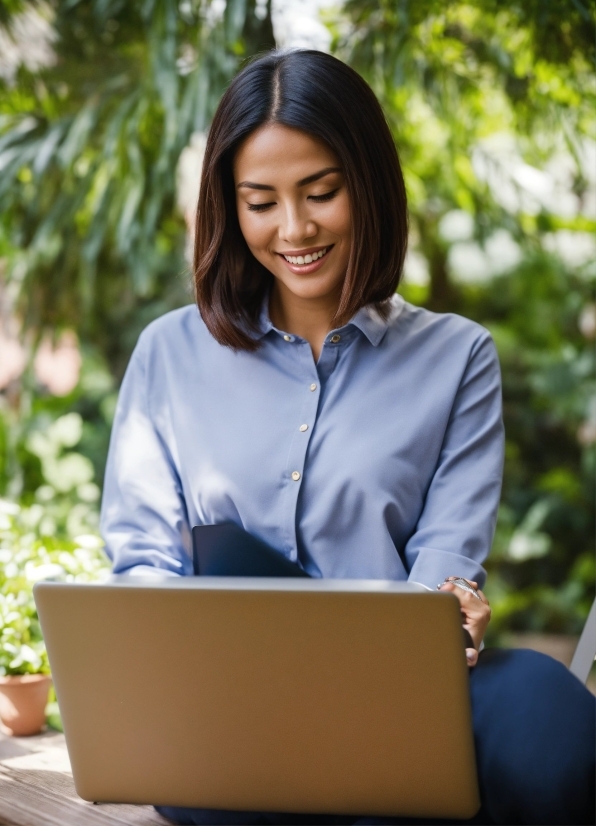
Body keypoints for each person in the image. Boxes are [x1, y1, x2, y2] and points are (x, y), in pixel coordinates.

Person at [100, 50, 595, 826]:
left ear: (367, 182)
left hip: (390, 702)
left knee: (544, 712)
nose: (293, 228)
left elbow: (445, 560)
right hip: (228, 719)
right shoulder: (170, 352)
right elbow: (143, 564)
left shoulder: (458, 356)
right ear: (230, 208)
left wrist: (445, 615)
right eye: (260, 201)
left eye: (320, 192)